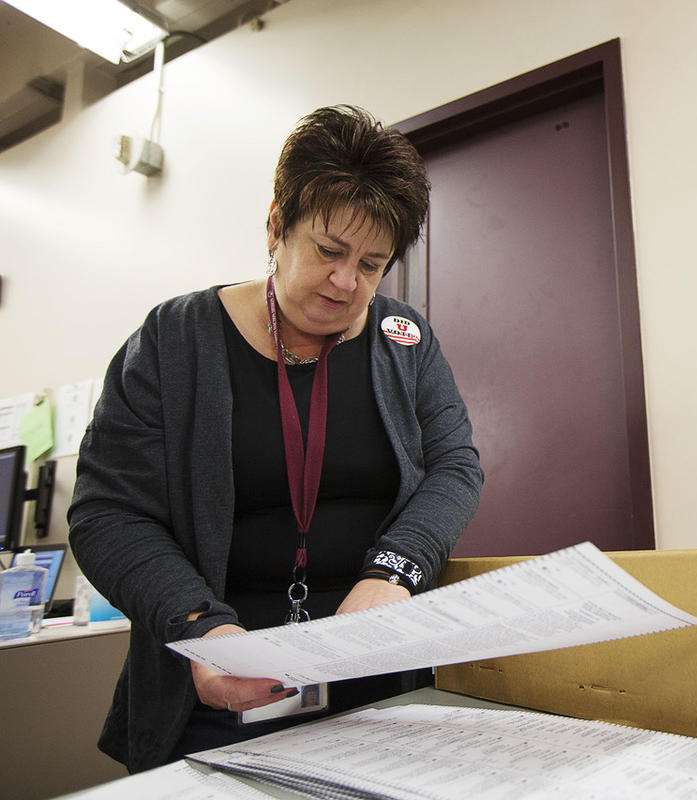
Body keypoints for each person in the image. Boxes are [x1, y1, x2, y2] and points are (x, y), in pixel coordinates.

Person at [68, 105, 483, 772]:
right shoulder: (173, 341)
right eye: (329, 251)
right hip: (221, 692)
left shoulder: (404, 341)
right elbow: (107, 514)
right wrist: (200, 627)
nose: (347, 282)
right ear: (276, 226)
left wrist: (394, 571)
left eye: (372, 264)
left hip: (378, 682)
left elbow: (455, 467)